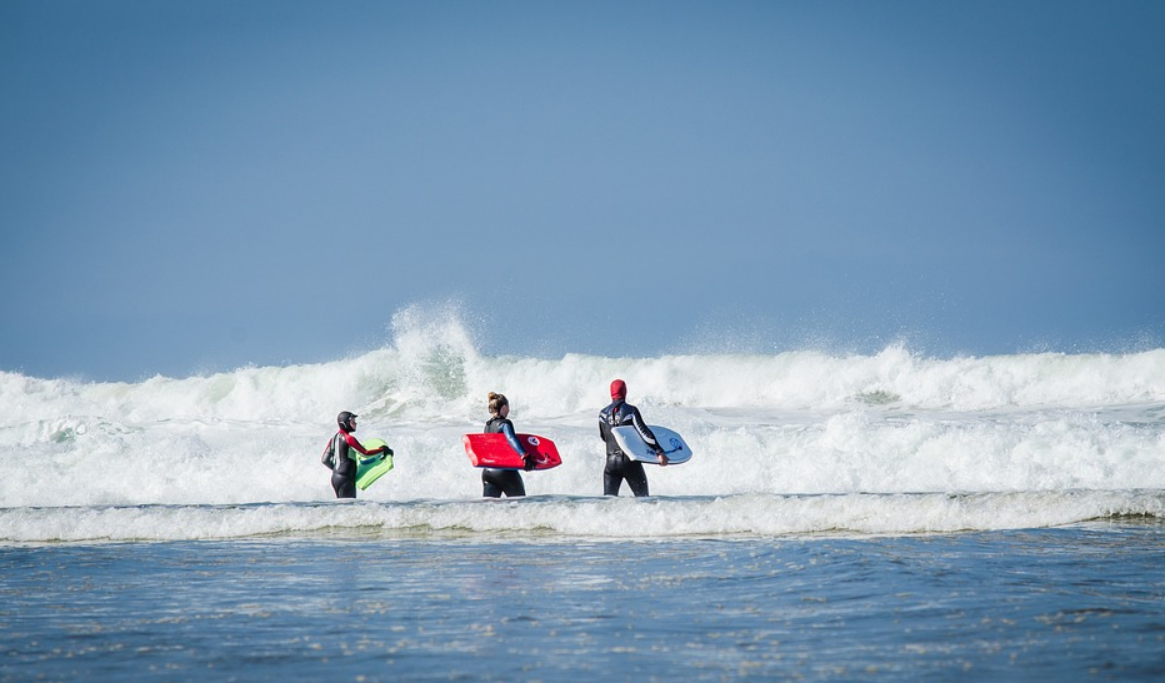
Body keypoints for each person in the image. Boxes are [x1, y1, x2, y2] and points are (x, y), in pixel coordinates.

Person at [599, 379, 667, 497]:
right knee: (643, 500)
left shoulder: (602, 414)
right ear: (625, 391)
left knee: (608, 502)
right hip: (630, 463)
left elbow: (604, 437)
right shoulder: (631, 411)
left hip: (611, 463)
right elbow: (644, 433)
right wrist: (659, 451)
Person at [325, 411, 391, 499]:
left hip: (335, 478)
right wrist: (383, 450)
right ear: (345, 423)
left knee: (341, 504)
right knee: (349, 504)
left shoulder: (333, 439)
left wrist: (338, 470)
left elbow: (325, 460)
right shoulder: (349, 439)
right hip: (346, 478)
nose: (355, 423)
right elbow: (365, 453)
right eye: (352, 421)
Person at [481, 392, 533, 498]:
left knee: (490, 506)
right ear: (504, 407)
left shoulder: (487, 426)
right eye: (508, 407)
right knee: (520, 503)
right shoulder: (504, 423)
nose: (509, 410)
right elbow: (511, 438)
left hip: (488, 472)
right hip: (505, 471)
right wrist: (524, 456)